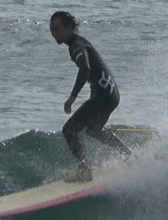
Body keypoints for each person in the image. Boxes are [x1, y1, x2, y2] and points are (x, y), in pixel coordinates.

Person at [48, 11, 133, 182]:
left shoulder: (76, 45)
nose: (54, 33)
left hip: (102, 96)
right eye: (52, 30)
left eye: (57, 29)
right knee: (94, 130)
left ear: (70, 27)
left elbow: (85, 69)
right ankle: (129, 154)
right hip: (112, 95)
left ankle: (85, 170)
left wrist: (73, 96)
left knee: (69, 130)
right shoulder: (81, 43)